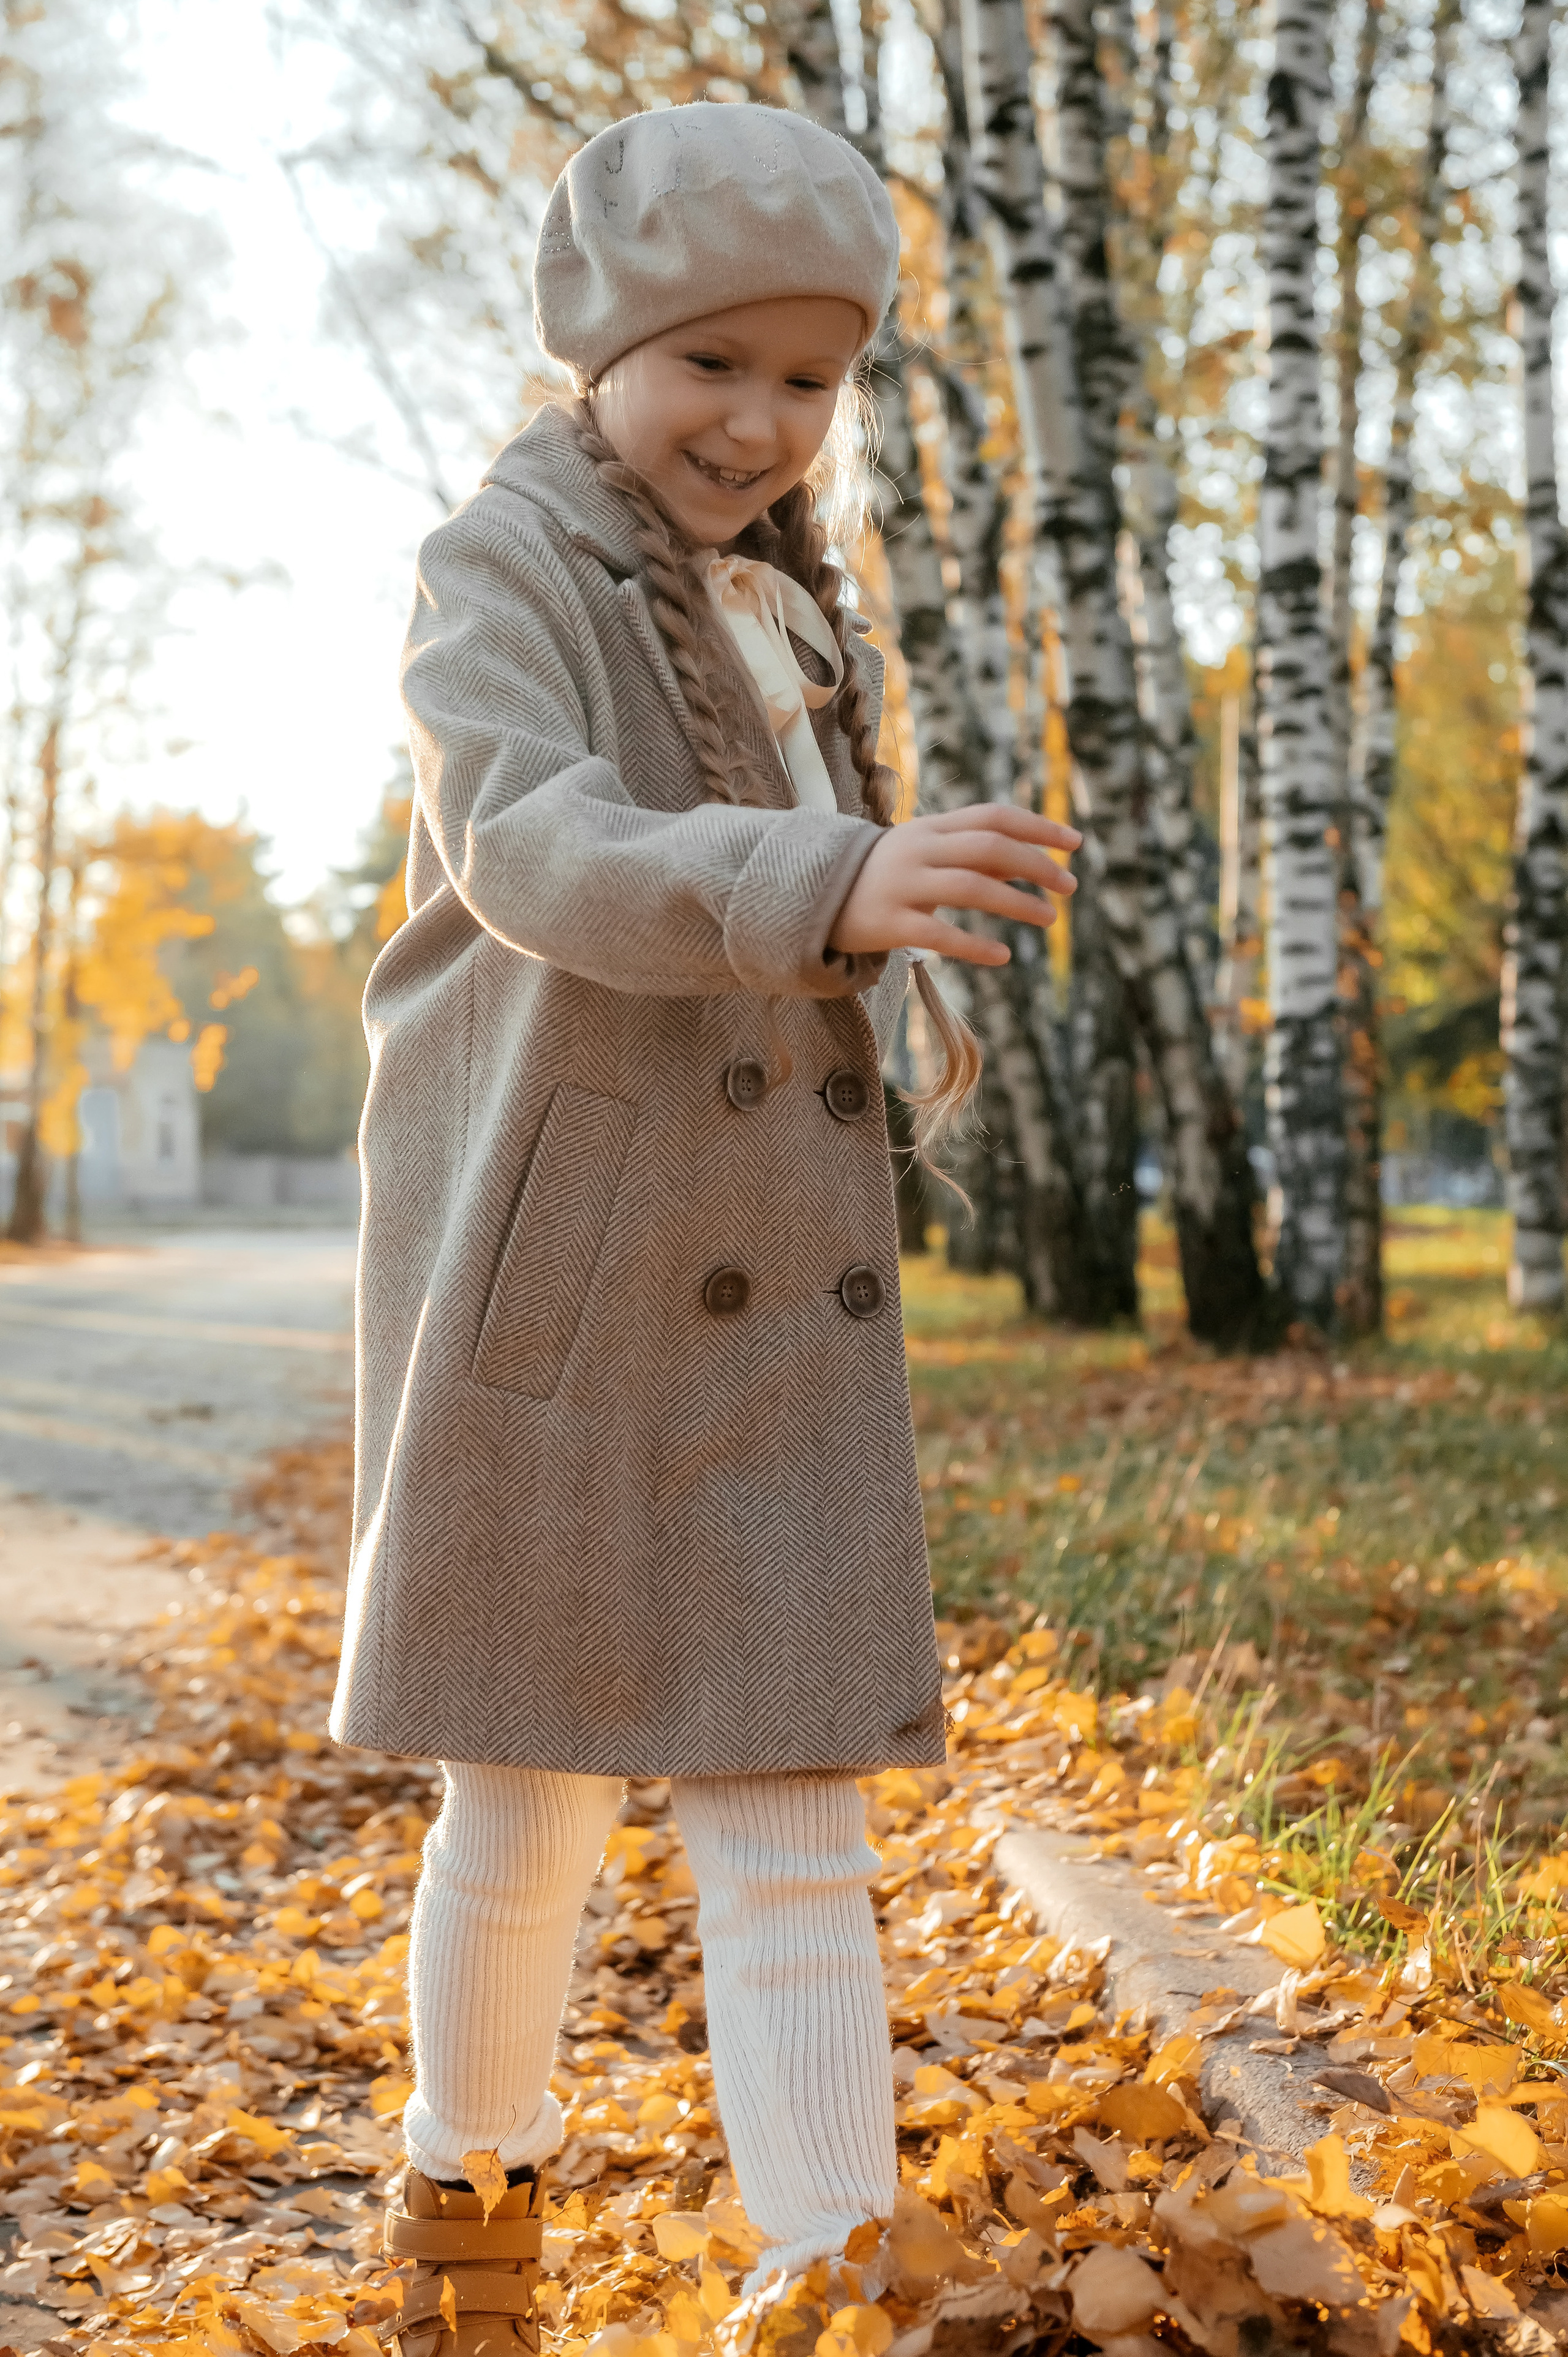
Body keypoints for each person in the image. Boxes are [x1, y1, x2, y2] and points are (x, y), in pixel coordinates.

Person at [330, 100, 1080, 2357]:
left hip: (761, 1289)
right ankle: (471, 2200)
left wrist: (896, 935)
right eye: (710, 363)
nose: (759, 421)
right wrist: (831, 880)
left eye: (810, 377)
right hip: (554, 1280)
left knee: (788, 1809)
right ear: (602, 347)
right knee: (526, 1798)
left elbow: (810, 908)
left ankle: (833, 2282)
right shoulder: (504, 566)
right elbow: (532, 844)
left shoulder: (795, 605)